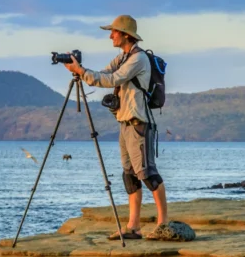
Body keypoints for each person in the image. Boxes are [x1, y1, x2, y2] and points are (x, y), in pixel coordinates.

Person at [64, 14, 168, 240]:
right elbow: (104, 74)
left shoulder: (138, 59)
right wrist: (79, 68)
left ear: (125, 35)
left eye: (114, 32)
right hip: (124, 122)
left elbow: (113, 80)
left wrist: (82, 72)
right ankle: (134, 226)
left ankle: (163, 222)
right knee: (129, 175)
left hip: (139, 123)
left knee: (147, 174)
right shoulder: (122, 57)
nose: (110, 35)